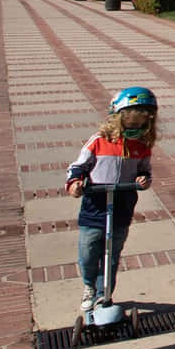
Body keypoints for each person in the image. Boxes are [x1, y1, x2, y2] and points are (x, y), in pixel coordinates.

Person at [65, 86, 157, 312]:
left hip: (122, 207)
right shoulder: (98, 141)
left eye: (140, 125)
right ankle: (89, 286)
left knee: (112, 255)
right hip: (95, 207)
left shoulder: (141, 146)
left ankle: (104, 294)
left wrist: (143, 180)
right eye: (131, 124)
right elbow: (77, 167)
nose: (135, 129)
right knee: (89, 251)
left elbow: (144, 170)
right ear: (117, 119)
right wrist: (76, 183)